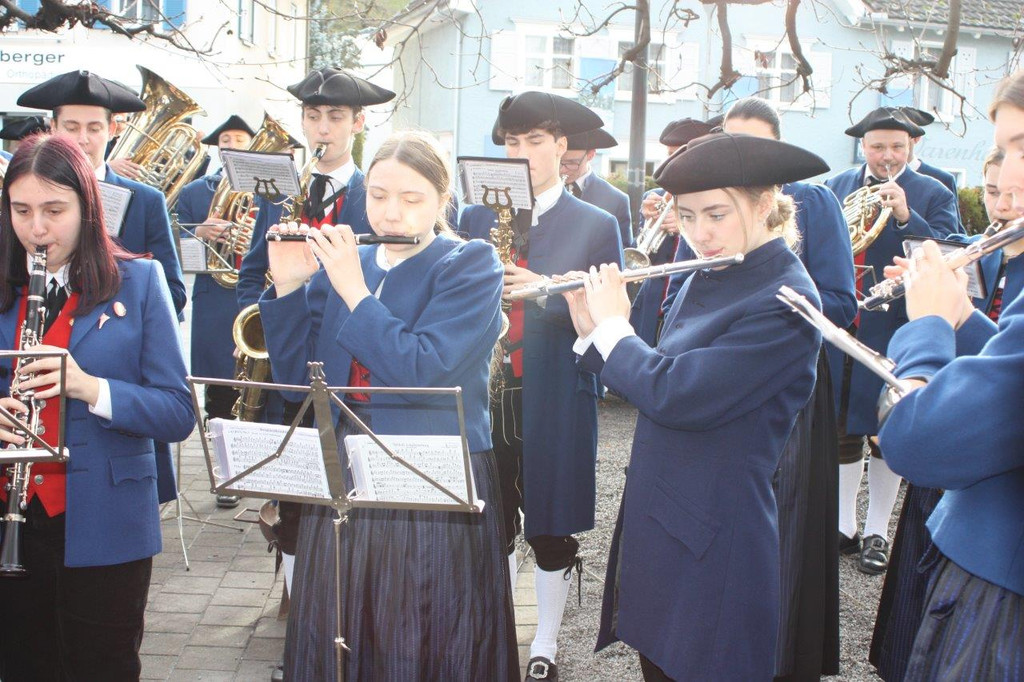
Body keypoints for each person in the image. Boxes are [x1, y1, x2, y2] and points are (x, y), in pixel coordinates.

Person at [258, 130, 516, 681]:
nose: (391, 213)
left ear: (442, 200)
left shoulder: (469, 264)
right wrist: (288, 287)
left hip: (429, 478)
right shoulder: (349, 264)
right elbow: (300, 388)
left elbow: (421, 370)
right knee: (341, 627)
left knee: (423, 634)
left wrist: (353, 291)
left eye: (411, 198)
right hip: (345, 473)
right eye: (377, 196)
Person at [567, 132, 826, 680]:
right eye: (686, 216)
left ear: (764, 204)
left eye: (716, 214)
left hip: (715, 533)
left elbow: (677, 393)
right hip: (666, 516)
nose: (700, 234)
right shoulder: (714, 268)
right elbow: (655, 374)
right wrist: (593, 331)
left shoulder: (786, 301)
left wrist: (615, 330)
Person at [0, 133, 194, 680]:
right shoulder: (6, 285)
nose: (37, 229)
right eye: (21, 210)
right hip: (13, 517)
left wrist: (89, 387)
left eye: (54, 210)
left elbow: (177, 412)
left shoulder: (139, 281)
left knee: (102, 666)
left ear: (87, 208)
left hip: (108, 522)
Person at [459, 91, 623, 681]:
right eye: (512, 142)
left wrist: (543, 288)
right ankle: (500, 631)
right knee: (491, 518)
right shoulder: (475, 216)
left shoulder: (597, 222)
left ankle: (546, 642)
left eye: (535, 141)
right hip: (486, 390)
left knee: (551, 524)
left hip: (554, 390)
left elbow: (609, 315)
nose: (522, 153)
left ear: (561, 146)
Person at [875, 69, 1024, 682]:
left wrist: (930, 326)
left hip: (1002, 593)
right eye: (1004, 150)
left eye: (1021, 148)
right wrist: (962, 315)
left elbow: (917, 442)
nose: (1006, 182)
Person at [17, 71, 189, 507]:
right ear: (52, 128)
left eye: (94, 128)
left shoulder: (143, 200)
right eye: (71, 127)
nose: (83, 139)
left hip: (114, 432)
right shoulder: (25, 200)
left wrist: (115, 288)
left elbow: (171, 289)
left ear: (112, 129)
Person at [824, 107, 960, 575]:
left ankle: (878, 530)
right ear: (863, 146)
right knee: (843, 426)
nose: (887, 156)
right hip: (848, 322)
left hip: (898, 326)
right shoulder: (838, 185)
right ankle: (844, 526)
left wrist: (905, 214)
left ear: (911, 147)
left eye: (897, 147)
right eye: (877, 146)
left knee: (886, 429)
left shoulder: (934, 190)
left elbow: (948, 254)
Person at [236, 66, 395, 310]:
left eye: (335, 117)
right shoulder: (277, 192)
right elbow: (252, 273)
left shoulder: (375, 197)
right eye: (313, 117)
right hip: (283, 326)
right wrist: (258, 322)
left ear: (358, 122)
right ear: (302, 121)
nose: (322, 129)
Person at [175, 114, 257, 509]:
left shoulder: (267, 191)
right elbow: (175, 246)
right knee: (219, 392)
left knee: (256, 386)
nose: (232, 147)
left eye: (240, 140)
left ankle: (254, 465)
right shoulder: (195, 191)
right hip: (214, 299)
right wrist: (197, 232)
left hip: (253, 296)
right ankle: (225, 473)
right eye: (226, 140)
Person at [629, 118, 714, 346]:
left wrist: (686, 226)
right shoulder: (658, 196)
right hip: (651, 308)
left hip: (691, 311)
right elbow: (640, 256)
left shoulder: (713, 201)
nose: (672, 162)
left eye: (680, 154)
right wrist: (647, 223)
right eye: (669, 154)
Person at [561, 127, 632, 246]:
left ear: (590, 155)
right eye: (559, 161)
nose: (562, 170)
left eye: (572, 163)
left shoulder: (617, 200)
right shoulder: (540, 188)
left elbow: (622, 250)